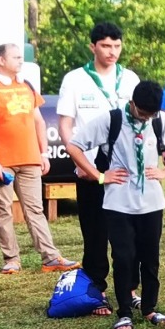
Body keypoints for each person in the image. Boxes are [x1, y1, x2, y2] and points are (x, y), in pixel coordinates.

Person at [65, 80, 165, 329]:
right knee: (123, 257)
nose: (146, 118)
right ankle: (124, 311)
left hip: (151, 202)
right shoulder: (111, 120)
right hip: (118, 203)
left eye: (151, 114)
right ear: (132, 103)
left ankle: (149, 308)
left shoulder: (159, 120)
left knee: (151, 259)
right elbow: (74, 146)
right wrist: (99, 176)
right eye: (142, 113)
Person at [0, 43, 75, 275]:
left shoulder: (26, 85)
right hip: (1, 162)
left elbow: (38, 121)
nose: (20, 61)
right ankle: (11, 259)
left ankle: (51, 257)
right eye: (16, 57)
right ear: (1, 61)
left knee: (35, 209)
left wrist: (43, 152)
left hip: (30, 159)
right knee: (3, 209)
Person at [56, 21, 139, 305]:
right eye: (105, 45)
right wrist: (78, 162)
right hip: (89, 167)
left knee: (128, 232)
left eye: (117, 45)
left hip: (125, 170)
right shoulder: (75, 79)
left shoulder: (129, 79)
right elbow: (66, 122)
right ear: (93, 47)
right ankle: (96, 288)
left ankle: (129, 288)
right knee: (94, 232)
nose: (112, 51)